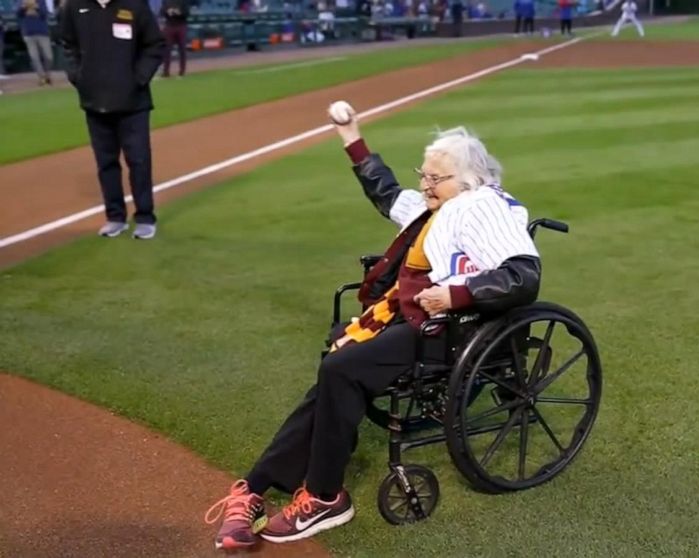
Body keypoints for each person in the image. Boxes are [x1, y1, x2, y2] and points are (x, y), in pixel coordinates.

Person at [203, 106, 541, 551]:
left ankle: (325, 497)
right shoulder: (439, 206)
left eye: (434, 178)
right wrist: (351, 134)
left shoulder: (482, 206)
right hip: (419, 317)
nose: (424, 184)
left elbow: (524, 274)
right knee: (336, 370)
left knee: (340, 370)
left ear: (469, 179)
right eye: (424, 174)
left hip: (454, 328)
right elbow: (386, 192)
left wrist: (457, 295)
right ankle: (256, 486)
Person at [59, 0, 164, 239]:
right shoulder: (74, 7)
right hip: (94, 100)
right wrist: (78, 76)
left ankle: (145, 217)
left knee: (138, 160)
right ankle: (115, 217)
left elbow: (155, 45)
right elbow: (67, 44)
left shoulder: (135, 5)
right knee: (106, 163)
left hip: (133, 102)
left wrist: (138, 78)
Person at [160, 0, 189, 78]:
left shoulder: (183, 2)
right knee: (167, 50)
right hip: (169, 26)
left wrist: (179, 12)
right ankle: (166, 72)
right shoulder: (166, 1)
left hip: (181, 25)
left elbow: (187, 13)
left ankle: (182, 71)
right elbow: (162, 11)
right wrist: (168, 11)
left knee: (182, 49)